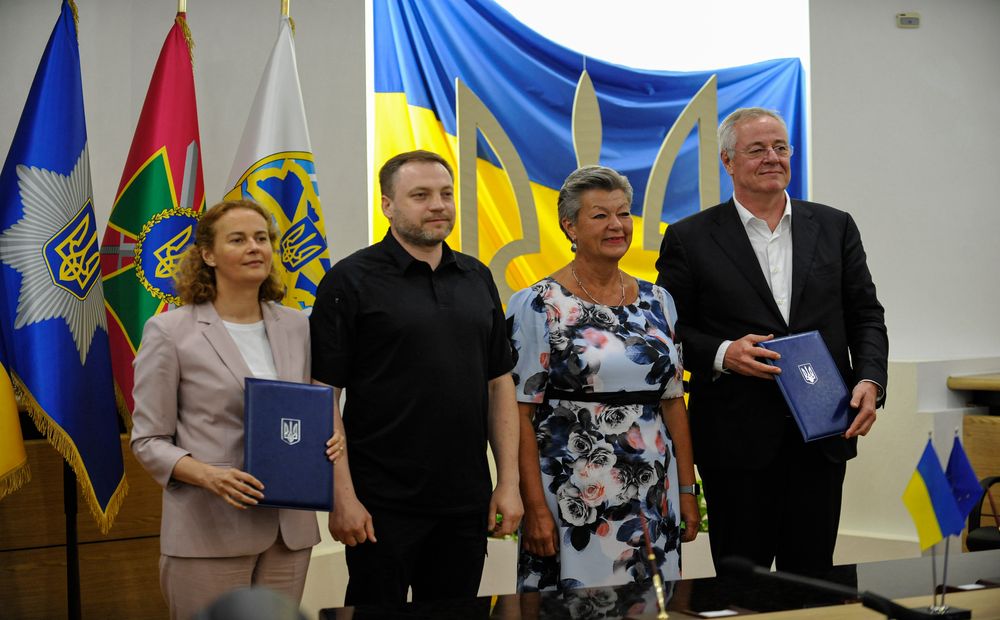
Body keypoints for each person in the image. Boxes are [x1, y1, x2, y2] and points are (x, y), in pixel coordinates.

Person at [656, 108, 888, 576]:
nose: (772, 158)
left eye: (781, 147)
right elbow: (667, 333)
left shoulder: (835, 225)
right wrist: (724, 353)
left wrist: (870, 380)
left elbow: (866, 314)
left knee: (813, 577)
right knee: (743, 582)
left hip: (823, 433)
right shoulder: (690, 238)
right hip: (737, 440)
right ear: (727, 160)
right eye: (757, 149)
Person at [309, 150, 523, 607]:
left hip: (464, 501)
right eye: (421, 195)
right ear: (387, 205)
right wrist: (341, 497)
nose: (438, 205)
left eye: (446, 194)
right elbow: (323, 397)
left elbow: (499, 383)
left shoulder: (476, 276)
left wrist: (508, 482)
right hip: (379, 503)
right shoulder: (349, 282)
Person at [131, 200, 344, 620]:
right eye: (239, 239)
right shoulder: (170, 332)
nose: (255, 248)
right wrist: (207, 474)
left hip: (289, 533)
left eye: (262, 238)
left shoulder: (298, 325)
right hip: (209, 531)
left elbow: (305, 412)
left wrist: (331, 437)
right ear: (207, 255)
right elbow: (149, 441)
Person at [507, 165, 699, 592]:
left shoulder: (659, 300)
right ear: (569, 226)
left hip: (653, 493)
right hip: (573, 495)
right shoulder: (539, 304)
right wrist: (534, 505)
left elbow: (672, 400)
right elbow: (517, 415)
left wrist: (687, 489)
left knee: (651, 604)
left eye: (624, 213)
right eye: (600, 215)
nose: (617, 225)